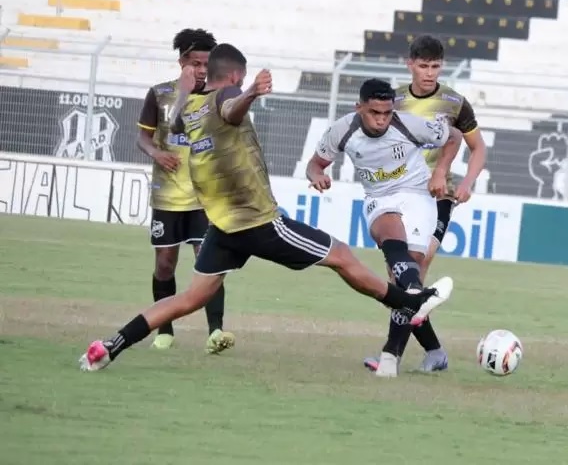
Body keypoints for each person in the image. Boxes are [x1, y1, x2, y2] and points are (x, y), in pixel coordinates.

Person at [79, 44, 452, 372]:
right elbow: (231, 109)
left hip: (222, 228)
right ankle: (410, 302)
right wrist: (252, 93)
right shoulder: (227, 97)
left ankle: (112, 344)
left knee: (190, 298)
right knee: (341, 255)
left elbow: (193, 113)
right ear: (236, 75)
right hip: (259, 223)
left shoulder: (190, 109)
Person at [306, 78, 463, 377]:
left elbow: (453, 136)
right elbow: (314, 164)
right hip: (379, 198)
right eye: (374, 112)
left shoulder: (408, 124)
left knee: (398, 283)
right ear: (359, 108)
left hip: (418, 194)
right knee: (395, 251)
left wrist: (440, 172)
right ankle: (418, 304)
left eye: (386, 113)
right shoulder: (342, 130)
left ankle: (413, 354)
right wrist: (316, 176)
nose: (381, 119)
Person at [362, 35, 488, 374]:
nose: (429, 73)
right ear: (410, 64)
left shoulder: (454, 102)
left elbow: (477, 147)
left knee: (418, 265)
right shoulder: (395, 101)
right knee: (402, 279)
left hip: (438, 195)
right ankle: (434, 351)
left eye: (435, 66)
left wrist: (463, 183)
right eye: (423, 66)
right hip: (401, 193)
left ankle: (391, 356)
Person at [135, 28, 234, 354]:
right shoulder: (160, 94)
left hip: (205, 197)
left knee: (209, 264)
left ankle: (216, 331)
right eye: (196, 63)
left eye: (208, 63)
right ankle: (164, 329)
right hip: (167, 196)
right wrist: (156, 153)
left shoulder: (219, 97)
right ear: (181, 62)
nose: (203, 70)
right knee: (165, 263)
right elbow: (144, 137)